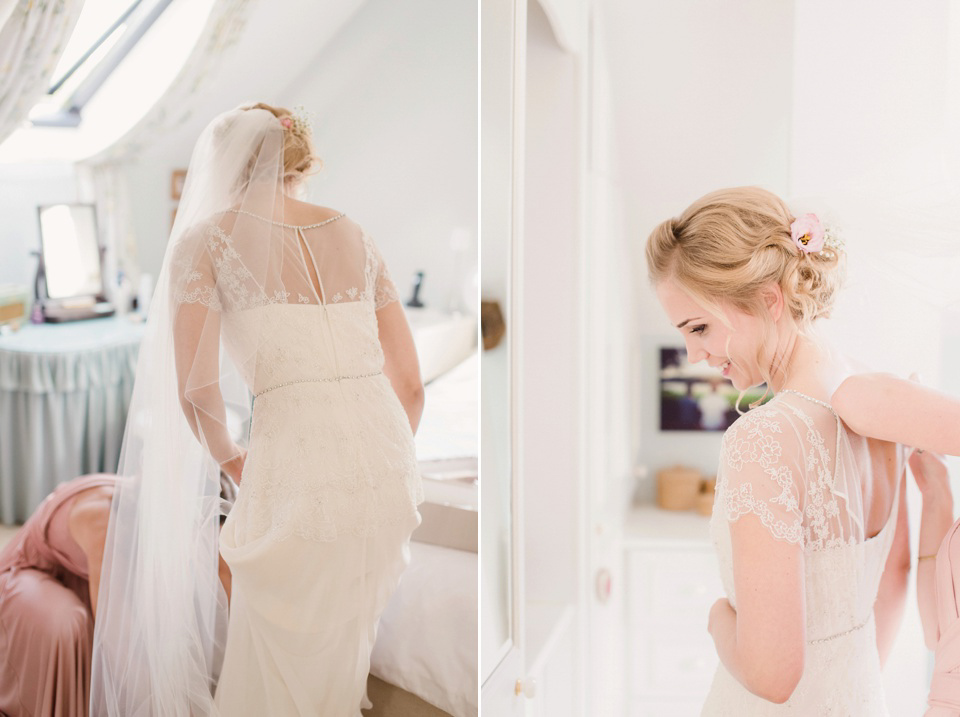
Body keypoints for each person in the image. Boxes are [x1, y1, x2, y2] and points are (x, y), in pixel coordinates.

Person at [90, 103, 425, 716]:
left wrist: (232, 459)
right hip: (387, 470)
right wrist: (383, 460)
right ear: (299, 154)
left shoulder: (207, 240)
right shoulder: (354, 230)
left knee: (280, 653)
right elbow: (411, 385)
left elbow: (196, 389)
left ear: (223, 164)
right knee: (340, 647)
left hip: (295, 469)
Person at [645, 186, 924, 714]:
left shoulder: (764, 438)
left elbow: (772, 677)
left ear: (770, 299)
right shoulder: (876, 394)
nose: (693, 353)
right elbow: (895, 576)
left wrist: (717, 620)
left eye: (699, 327)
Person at [0, 473, 234, 717]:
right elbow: (116, 637)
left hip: (88, 574)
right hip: (29, 575)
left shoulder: (172, 496)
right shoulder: (102, 525)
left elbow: (223, 576)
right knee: (70, 621)